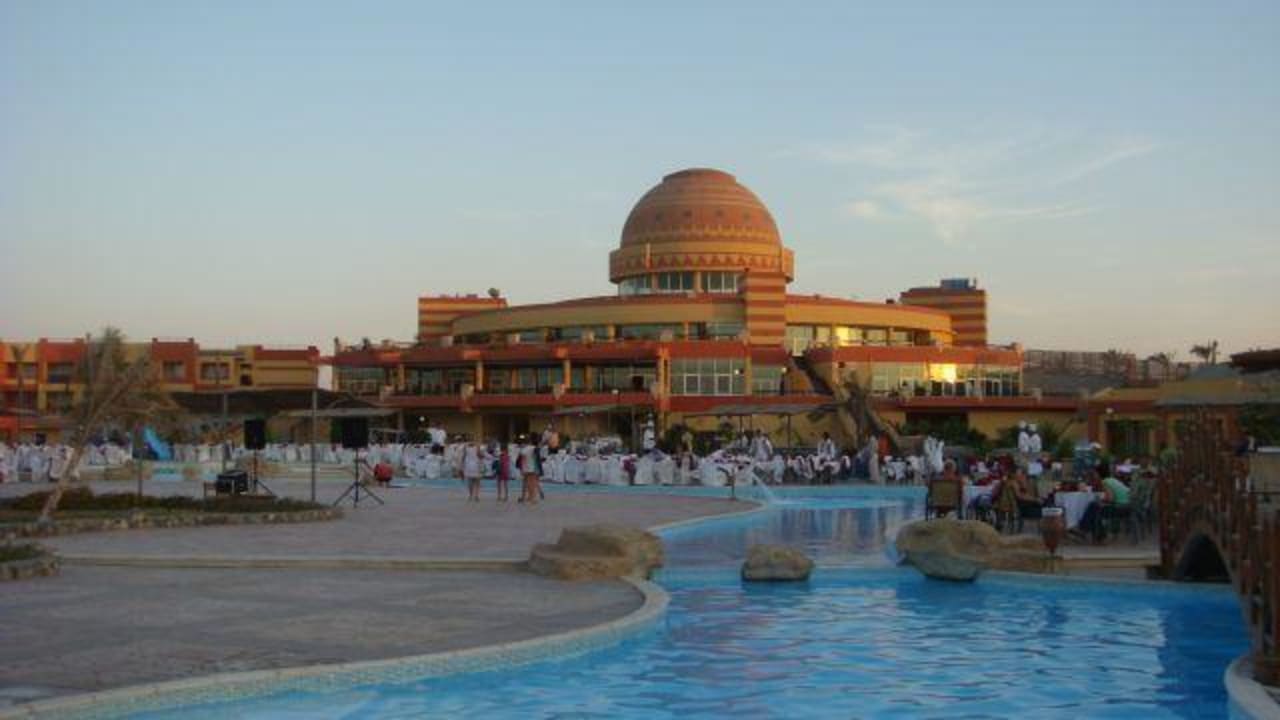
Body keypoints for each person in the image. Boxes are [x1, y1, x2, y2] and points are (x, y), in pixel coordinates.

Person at [519, 440, 541, 504]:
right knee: (532, 484)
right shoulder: (534, 448)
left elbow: (522, 459)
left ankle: (529, 498)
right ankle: (532, 498)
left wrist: (522, 469)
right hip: (532, 468)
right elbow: (536, 458)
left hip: (526, 468)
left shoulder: (524, 449)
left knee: (528, 484)